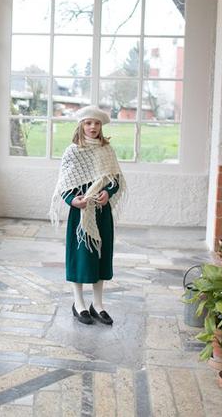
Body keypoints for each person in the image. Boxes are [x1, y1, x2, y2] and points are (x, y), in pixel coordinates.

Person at [50, 106, 127, 325]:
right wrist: (72, 200)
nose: (92, 127)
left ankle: (98, 304)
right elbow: (64, 184)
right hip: (81, 212)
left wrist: (108, 193)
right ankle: (78, 302)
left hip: (102, 212)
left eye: (97, 123)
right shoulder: (72, 151)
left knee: (101, 255)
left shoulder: (106, 150)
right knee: (81, 256)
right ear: (81, 125)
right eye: (88, 123)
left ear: (101, 126)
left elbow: (115, 180)